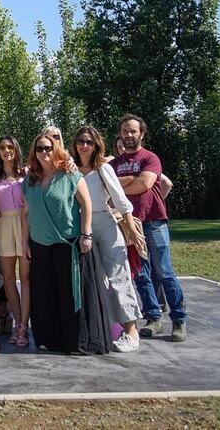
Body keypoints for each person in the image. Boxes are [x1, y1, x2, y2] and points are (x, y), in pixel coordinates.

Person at [24, 132, 107, 354]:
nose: (44, 152)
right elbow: (27, 213)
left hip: (68, 244)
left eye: (48, 148)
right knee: (46, 295)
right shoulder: (30, 179)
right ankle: (50, 339)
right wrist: (25, 243)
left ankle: (75, 342)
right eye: (39, 148)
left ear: (56, 149)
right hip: (40, 245)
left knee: (70, 295)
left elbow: (86, 204)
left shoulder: (70, 173)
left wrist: (86, 234)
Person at [112, 113, 186, 342]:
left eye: (133, 131)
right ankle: (153, 318)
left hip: (153, 221)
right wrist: (130, 180)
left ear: (141, 134)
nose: (128, 135)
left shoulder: (150, 158)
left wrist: (121, 185)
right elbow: (108, 188)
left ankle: (179, 320)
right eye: (125, 131)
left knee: (164, 271)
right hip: (129, 223)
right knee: (141, 274)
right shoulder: (114, 164)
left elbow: (144, 184)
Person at [73, 125, 142, 353]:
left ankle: (131, 331)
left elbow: (121, 200)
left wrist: (131, 230)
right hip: (82, 226)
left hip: (105, 225)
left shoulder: (103, 168)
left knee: (118, 276)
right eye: (81, 141)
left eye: (89, 142)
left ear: (96, 146)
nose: (84, 146)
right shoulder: (70, 169)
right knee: (95, 280)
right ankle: (103, 328)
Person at [0, 135, 30, 348]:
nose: (6, 151)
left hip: (24, 224)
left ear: (16, 149)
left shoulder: (27, 174)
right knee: (9, 279)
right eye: (2, 147)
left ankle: (24, 326)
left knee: (27, 279)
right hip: (3, 225)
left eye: (10, 147)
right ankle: (17, 323)